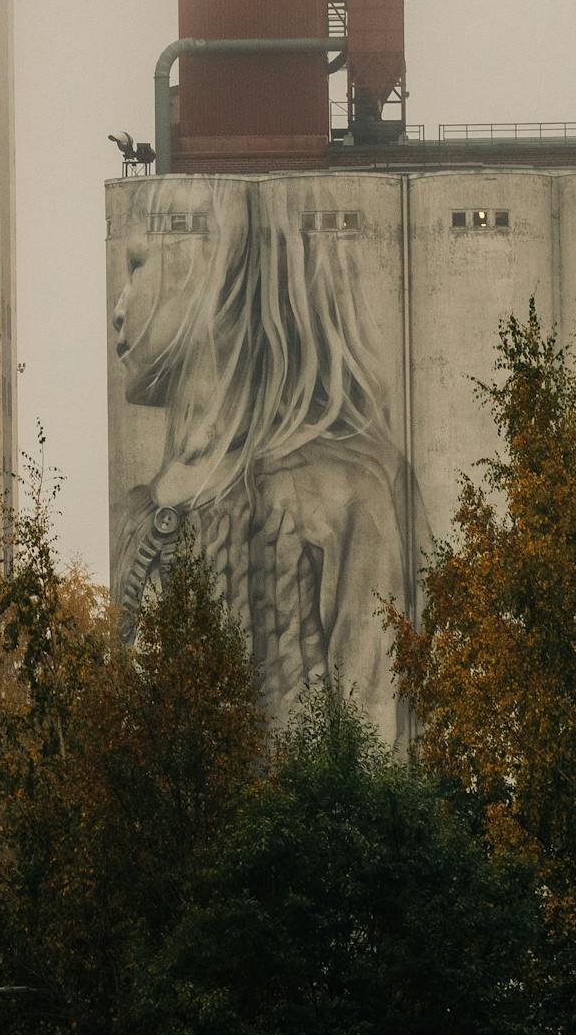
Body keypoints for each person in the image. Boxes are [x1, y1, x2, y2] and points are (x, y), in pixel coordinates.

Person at [111, 178, 413, 737]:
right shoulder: (139, 510)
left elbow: (375, 732)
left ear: (205, 263)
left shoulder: (346, 491)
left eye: (136, 265)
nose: (118, 307)